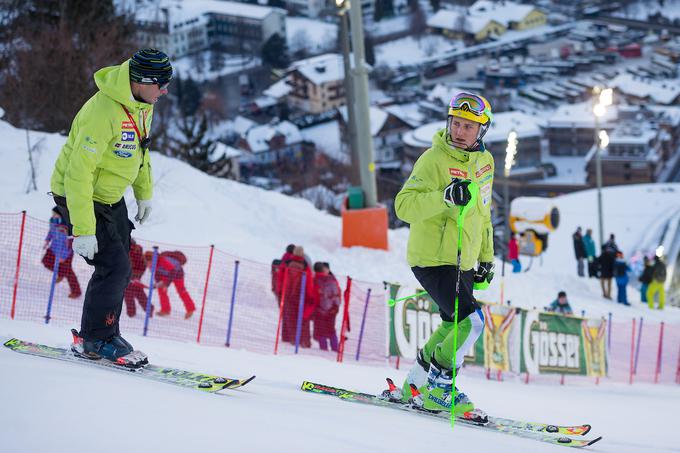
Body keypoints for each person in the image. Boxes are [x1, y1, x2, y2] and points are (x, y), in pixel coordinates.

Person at [50, 48, 172, 367]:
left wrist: (144, 193)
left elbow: (141, 152)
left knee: (122, 265)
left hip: (109, 194)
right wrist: (83, 229)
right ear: (142, 81)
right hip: (80, 193)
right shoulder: (103, 112)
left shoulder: (143, 105)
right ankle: (94, 340)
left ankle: (105, 332)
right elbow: (78, 173)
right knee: (113, 266)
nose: (165, 90)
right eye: (161, 83)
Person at [393, 91, 494, 418]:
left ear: (481, 130)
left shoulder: (485, 162)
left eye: (468, 126)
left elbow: (484, 212)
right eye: (456, 123)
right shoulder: (433, 159)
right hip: (432, 257)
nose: (460, 131)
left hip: (463, 260)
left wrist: (486, 257)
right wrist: (445, 196)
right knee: (472, 321)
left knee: (454, 322)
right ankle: (440, 388)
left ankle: (416, 382)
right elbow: (403, 207)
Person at [275, 246, 317, 347]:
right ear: (302, 254)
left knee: (289, 317)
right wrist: (310, 295)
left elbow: (280, 278)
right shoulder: (305, 266)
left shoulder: (286, 263)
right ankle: (304, 341)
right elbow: (309, 283)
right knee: (302, 318)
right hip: (300, 295)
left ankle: (290, 339)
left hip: (288, 294)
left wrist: (280, 291)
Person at [42, 207, 81, 299]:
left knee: (68, 272)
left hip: (66, 253)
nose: (53, 215)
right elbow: (51, 232)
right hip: (53, 249)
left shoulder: (66, 227)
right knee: (46, 262)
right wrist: (47, 240)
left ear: (61, 215)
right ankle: (60, 273)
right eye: (53, 213)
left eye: (55, 214)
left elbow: (69, 245)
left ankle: (76, 292)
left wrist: (63, 257)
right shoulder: (53, 221)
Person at [145, 250, 196, 319]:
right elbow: (157, 275)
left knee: (181, 291)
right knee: (161, 290)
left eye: (148, 262)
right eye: (146, 263)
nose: (147, 265)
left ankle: (190, 309)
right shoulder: (151, 265)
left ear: (152, 260)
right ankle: (165, 310)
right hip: (165, 274)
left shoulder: (162, 261)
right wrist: (158, 284)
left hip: (177, 273)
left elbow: (173, 271)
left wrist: (166, 284)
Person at [312, 262, 342, 351]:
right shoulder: (331, 280)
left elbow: (314, 296)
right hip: (331, 310)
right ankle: (335, 348)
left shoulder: (315, 280)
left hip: (320, 310)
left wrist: (316, 307)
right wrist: (336, 307)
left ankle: (323, 349)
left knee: (321, 331)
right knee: (331, 330)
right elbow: (337, 294)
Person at [123, 239, 152, 318]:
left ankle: (131, 312)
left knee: (128, 292)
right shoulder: (138, 249)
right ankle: (149, 308)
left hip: (131, 273)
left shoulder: (128, 250)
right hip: (139, 273)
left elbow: (126, 262)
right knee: (137, 290)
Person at [599, 234, 619, 300]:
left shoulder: (609, 244)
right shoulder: (613, 245)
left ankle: (606, 294)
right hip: (609, 266)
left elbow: (602, 248)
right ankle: (607, 294)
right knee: (608, 282)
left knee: (604, 281)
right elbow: (617, 253)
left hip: (606, 265)